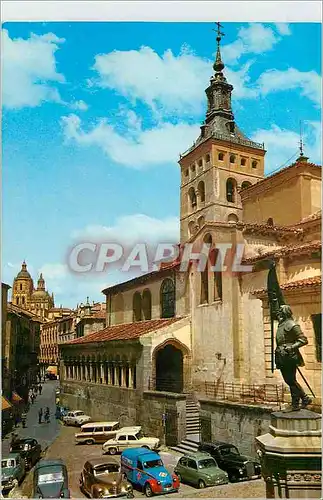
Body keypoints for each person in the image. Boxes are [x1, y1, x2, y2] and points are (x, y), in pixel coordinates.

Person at [275, 304, 312, 411]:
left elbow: (303, 340)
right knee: (289, 380)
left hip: (289, 356)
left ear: (285, 312)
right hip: (281, 356)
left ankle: (297, 403)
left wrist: (292, 347)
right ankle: (303, 399)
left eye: (280, 311)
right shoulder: (281, 324)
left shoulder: (292, 324)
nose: (279, 313)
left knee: (290, 380)